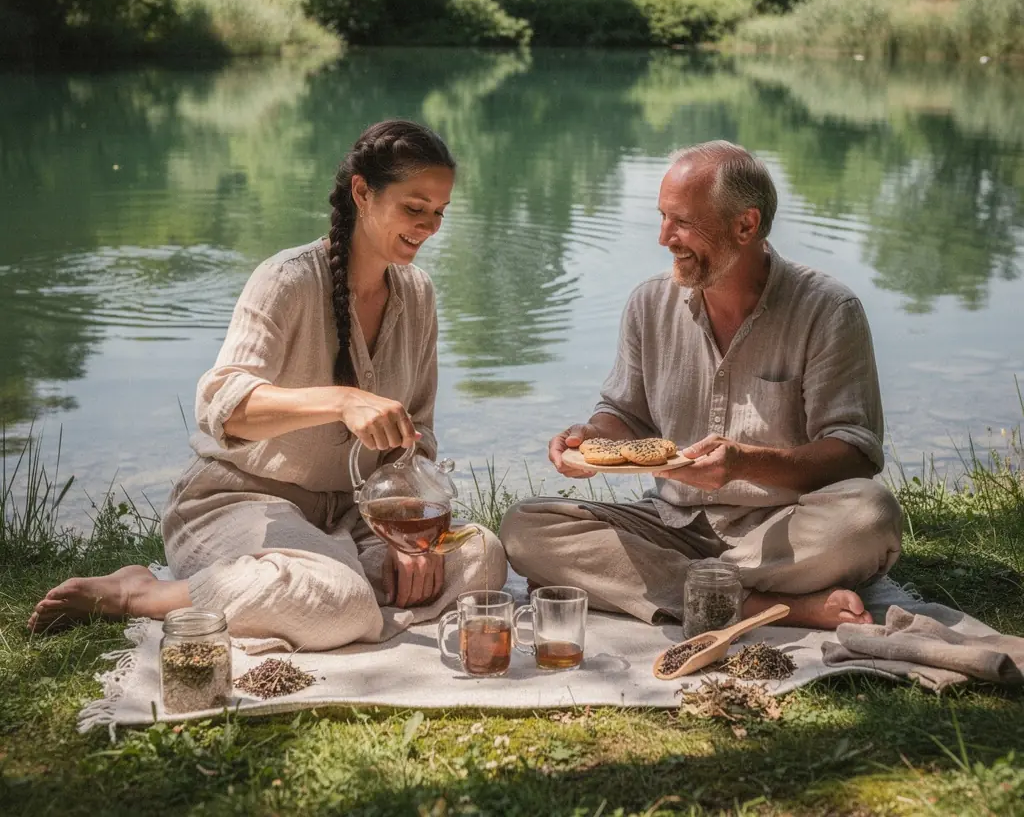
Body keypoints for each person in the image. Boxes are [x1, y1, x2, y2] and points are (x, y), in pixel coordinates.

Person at [30, 120, 507, 650]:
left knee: (481, 555)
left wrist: (407, 530)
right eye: (415, 207)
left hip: (355, 516)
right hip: (240, 502)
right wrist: (341, 401)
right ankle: (140, 593)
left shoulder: (418, 294)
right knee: (341, 599)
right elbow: (224, 405)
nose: (429, 226)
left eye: (439, 212)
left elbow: (416, 434)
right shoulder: (286, 279)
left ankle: (329, 593)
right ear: (362, 192)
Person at [500, 141, 902, 630]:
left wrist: (745, 463)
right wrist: (593, 435)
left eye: (682, 222)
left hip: (783, 531)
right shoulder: (649, 303)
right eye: (662, 217)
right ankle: (765, 606)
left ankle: (661, 585)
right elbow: (625, 414)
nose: (664, 237)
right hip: (672, 523)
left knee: (870, 516)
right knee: (525, 527)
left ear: (746, 225)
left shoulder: (829, 310)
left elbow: (855, 455)